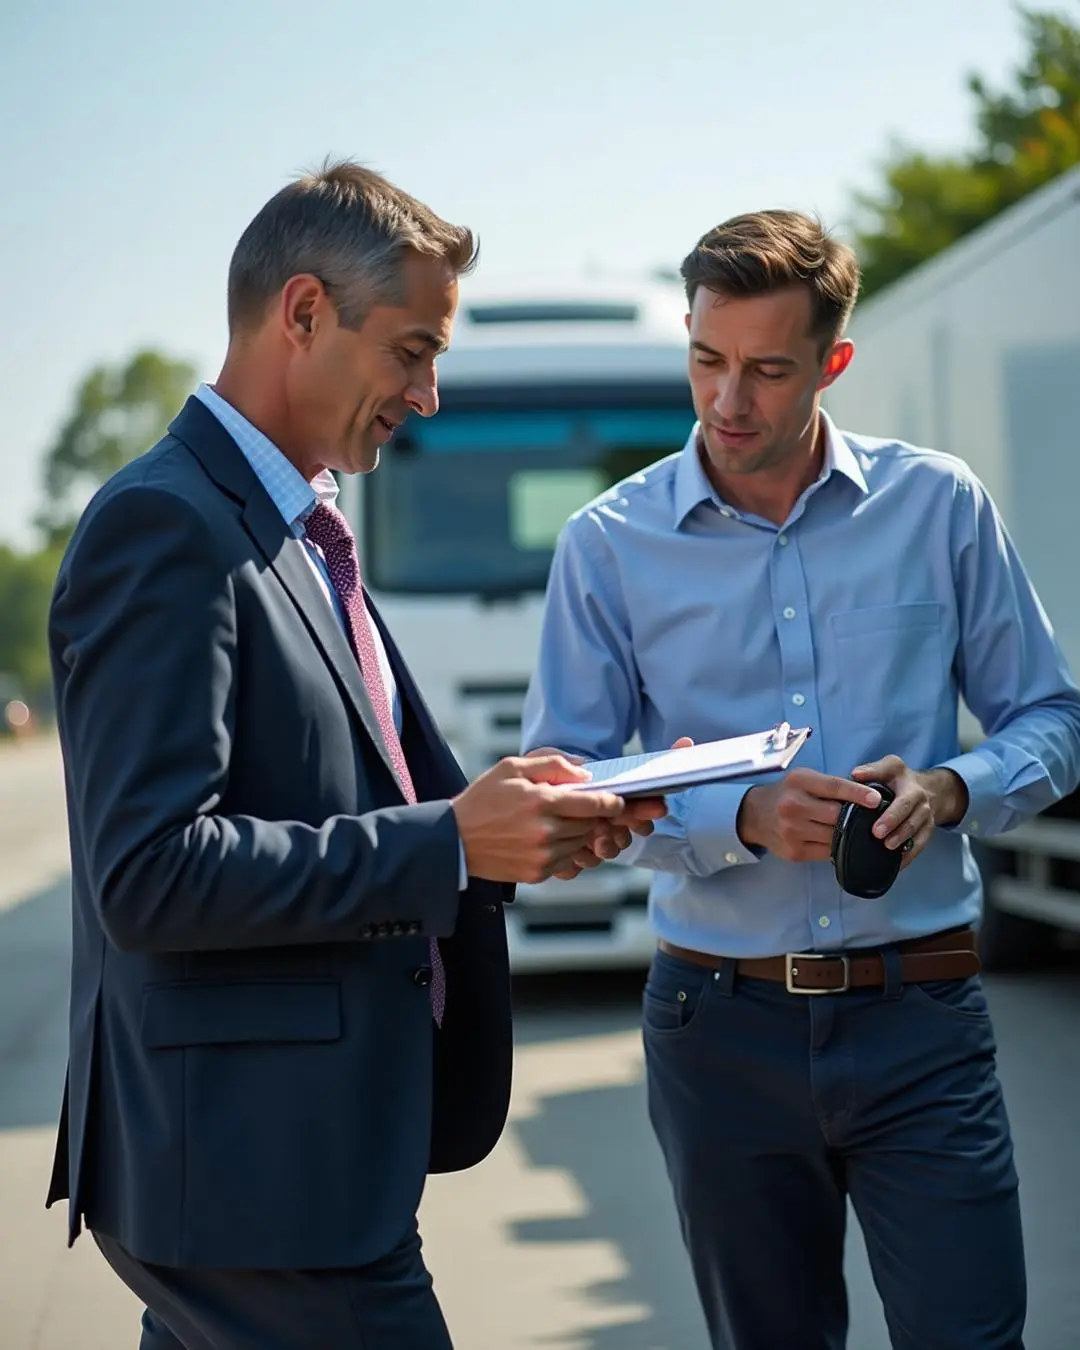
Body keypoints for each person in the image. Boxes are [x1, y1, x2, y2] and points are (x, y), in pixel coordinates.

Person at [45, 159, 664, 1350]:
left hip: (285, 1164)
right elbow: (149, 872)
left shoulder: (286, 524)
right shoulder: (166, 526)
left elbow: (345, 791)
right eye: (413, 350)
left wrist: (517, 825)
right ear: (305, 314)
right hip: (254, 1180)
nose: (428, 393)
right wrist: (445, 842)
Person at [521, 208, 1080, 1349]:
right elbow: (573, 788)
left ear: (833, 364)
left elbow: (1054, 715)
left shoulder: (941, 506)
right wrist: (740, 816)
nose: (729, 402)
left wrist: (956, 788)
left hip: (922, 1014)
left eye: (769, 371)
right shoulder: (607, 544)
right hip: (717, 1030)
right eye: (707, 360)